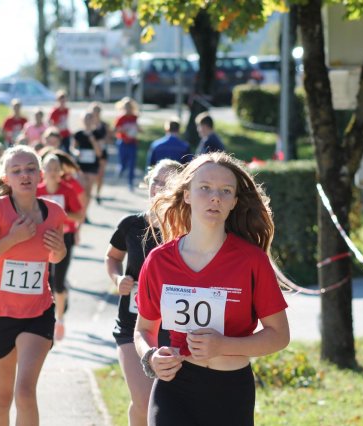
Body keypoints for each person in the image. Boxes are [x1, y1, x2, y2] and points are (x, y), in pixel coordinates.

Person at [135, 152, 290, 426]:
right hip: (174, 387)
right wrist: (150, 356)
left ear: (234, 202)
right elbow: (143, 330)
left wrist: (223, 345)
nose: (215, 197)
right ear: (187, 195)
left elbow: (279, 335)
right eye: (205, 188)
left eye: (225, 191)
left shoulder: (251, 261)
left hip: (229, 391)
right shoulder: (159, 260)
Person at [0, 145, 66, 426]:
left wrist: (60, 251)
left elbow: (55, 256)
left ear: (40, 174)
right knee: (1, 399)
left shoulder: (54, 213)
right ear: (6, 177)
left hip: (37, 313)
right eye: (17, 170)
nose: (25, 175)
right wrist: (11, 239)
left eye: (31, 169)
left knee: (25, 392)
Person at [105, 159, 184, 426]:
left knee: (159, 405)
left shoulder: (188, 232)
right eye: (155, 182)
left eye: (167, 183)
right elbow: (112, 257)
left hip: (173, 329)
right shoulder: (131, 225)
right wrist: (118, 279)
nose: (158, 188)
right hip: (132, 326)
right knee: (144, 400)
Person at [37, 154, 84, 341]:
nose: (53, 172)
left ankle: (60, 319)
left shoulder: (68, 190)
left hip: (64, 238)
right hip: (41, 240)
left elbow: (79, 216)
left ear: (61, 172)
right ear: (43, 171)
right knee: (46, 280)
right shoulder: (37, 191)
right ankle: (45, 316)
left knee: (58, 281)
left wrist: (59, 214)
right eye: (49, 168)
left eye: (56, 169)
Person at [72, 112, 102, 220]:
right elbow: (73, 148)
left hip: (92, 166)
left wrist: (93, 140)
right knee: (81, 191)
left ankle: (84, 214)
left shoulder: (96, 134)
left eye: (89, 118)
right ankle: (80, 211)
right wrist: (76, 152)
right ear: (82, 120)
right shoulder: (78, 134)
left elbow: (99, 153)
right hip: (80, 166)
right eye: (85, 119)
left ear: (93, 120)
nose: (87, 121)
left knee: (88, 192)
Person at [113, 97, 140, 190]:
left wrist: (138, 129)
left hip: (132, 142)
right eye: (126, 106)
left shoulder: (134, 117)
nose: (128, 108)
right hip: (123, 142)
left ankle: (130, 182)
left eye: (129, 106)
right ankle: (120, 170)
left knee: (132, 163)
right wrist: (123, 130)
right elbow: (115, 130)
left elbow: (137, 127)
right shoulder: (120, 118)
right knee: (123, 162)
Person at [90, 102, 111, 205]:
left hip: (102, 151)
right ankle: (90, 192)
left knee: (100, 174)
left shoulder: (104, 125)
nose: (96, 113)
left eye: (98, 111)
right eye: (94, 111)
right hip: (90, 153)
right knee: (91, 174)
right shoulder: (89, 124)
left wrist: (103, 141)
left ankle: (98, 194)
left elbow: (109, 139)